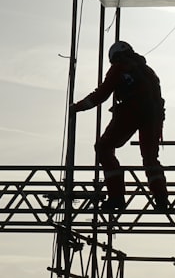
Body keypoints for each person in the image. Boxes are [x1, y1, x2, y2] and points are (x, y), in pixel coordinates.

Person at [70, 40, 168, 212]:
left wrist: (77, 107)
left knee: (104, 147)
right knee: (150, 158)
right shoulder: (148, 71)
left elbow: (100, 95)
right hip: (154, 116)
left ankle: (116, 197)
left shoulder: (119, 68)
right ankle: (161, 198)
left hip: (131, 112)